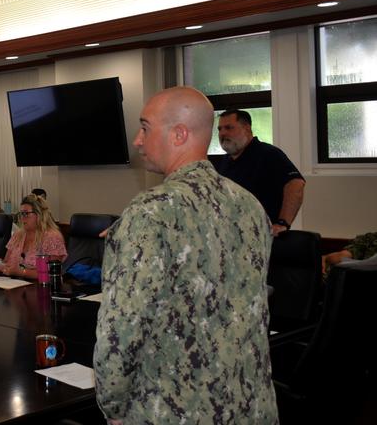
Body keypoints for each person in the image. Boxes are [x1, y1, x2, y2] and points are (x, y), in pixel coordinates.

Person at [94, 87, 277, 424]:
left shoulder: (150, 212)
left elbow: (121, 330)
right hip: (250, 406)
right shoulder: (250, 206)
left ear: (179, 134)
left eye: (145, 128)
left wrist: (114, 406)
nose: (137, 140)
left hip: (173, 410)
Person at [215, 108, 305, 235]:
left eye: (229, 128)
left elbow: (296, 184)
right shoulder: (225, 161)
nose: (222, 133)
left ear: (246, 129)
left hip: (261, 236)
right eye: (220, 129)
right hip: (231, 235)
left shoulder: (268, 154)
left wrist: (282, 223)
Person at [0, 194, 66, 279]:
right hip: (13, 285)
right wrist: (0, 265)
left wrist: (21, 272)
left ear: (40, 214)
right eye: (21, 214)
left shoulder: (53, 237)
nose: (22, 218)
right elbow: (7, 262)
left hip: (38, 287)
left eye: (26, 213)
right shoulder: (17, 235)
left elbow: (52, 274)